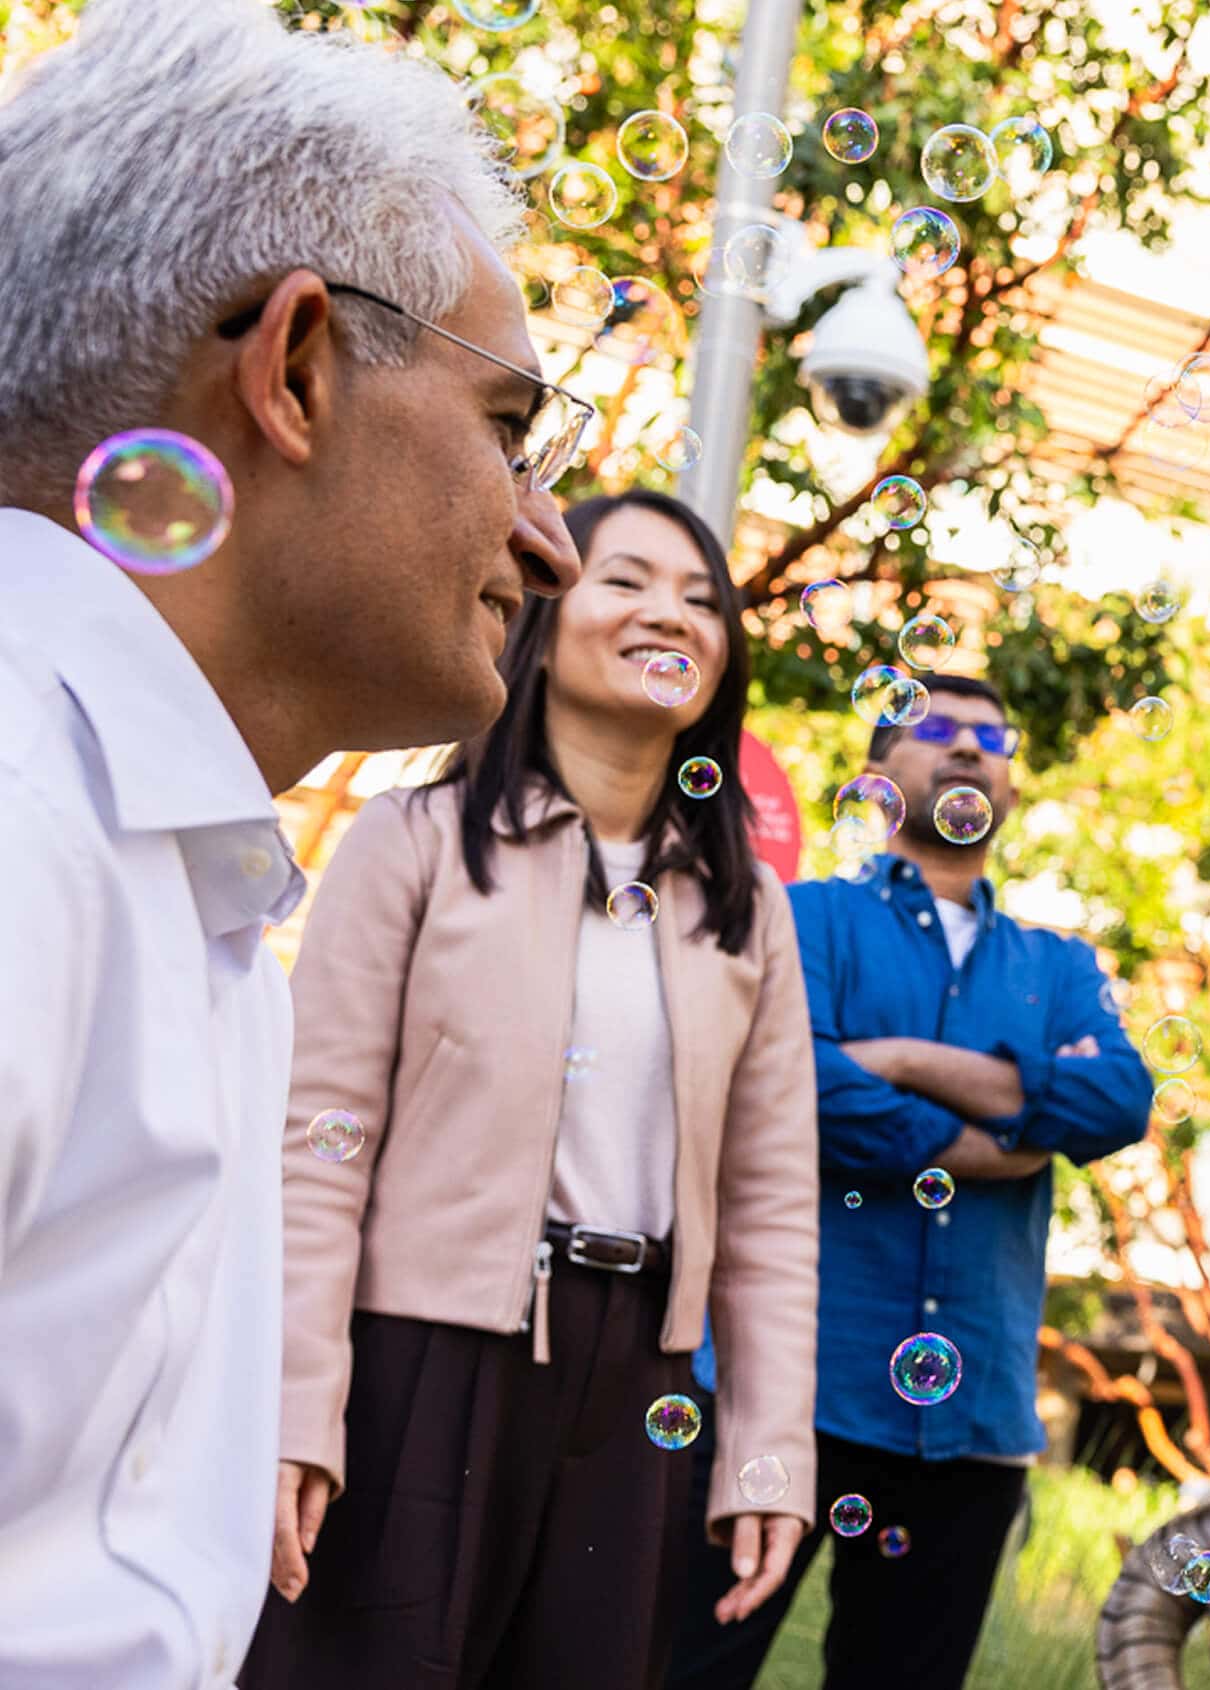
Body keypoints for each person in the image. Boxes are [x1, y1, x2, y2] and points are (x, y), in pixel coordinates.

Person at [0, 0, 583, 1681]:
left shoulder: (190, 884)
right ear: (298, 371)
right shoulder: (27, 833)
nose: (548, 544)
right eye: (510, 432)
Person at [242, 491, 817, 1689]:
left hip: (637, 1387)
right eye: (628, 580)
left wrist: (767, 1454)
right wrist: (298, 1402)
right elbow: (315, 1146)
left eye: (703, 598)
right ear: (545, 622)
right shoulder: (414, 841)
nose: (672, 613)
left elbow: (772, 1211)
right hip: (417, 1363)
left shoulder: (747, 911)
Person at [666, 674, 1154, 1690]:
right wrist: (997, 1130)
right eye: (936, 728)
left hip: (969, 1414)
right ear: (875, 778)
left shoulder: (1058, 965)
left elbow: (1115, 1100)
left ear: (1013, 788)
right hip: (784, 1385)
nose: (970, 746)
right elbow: (796, 1080)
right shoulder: (800, 919)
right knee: (678, 1670)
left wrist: (897, 1059)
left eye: (993, 734)